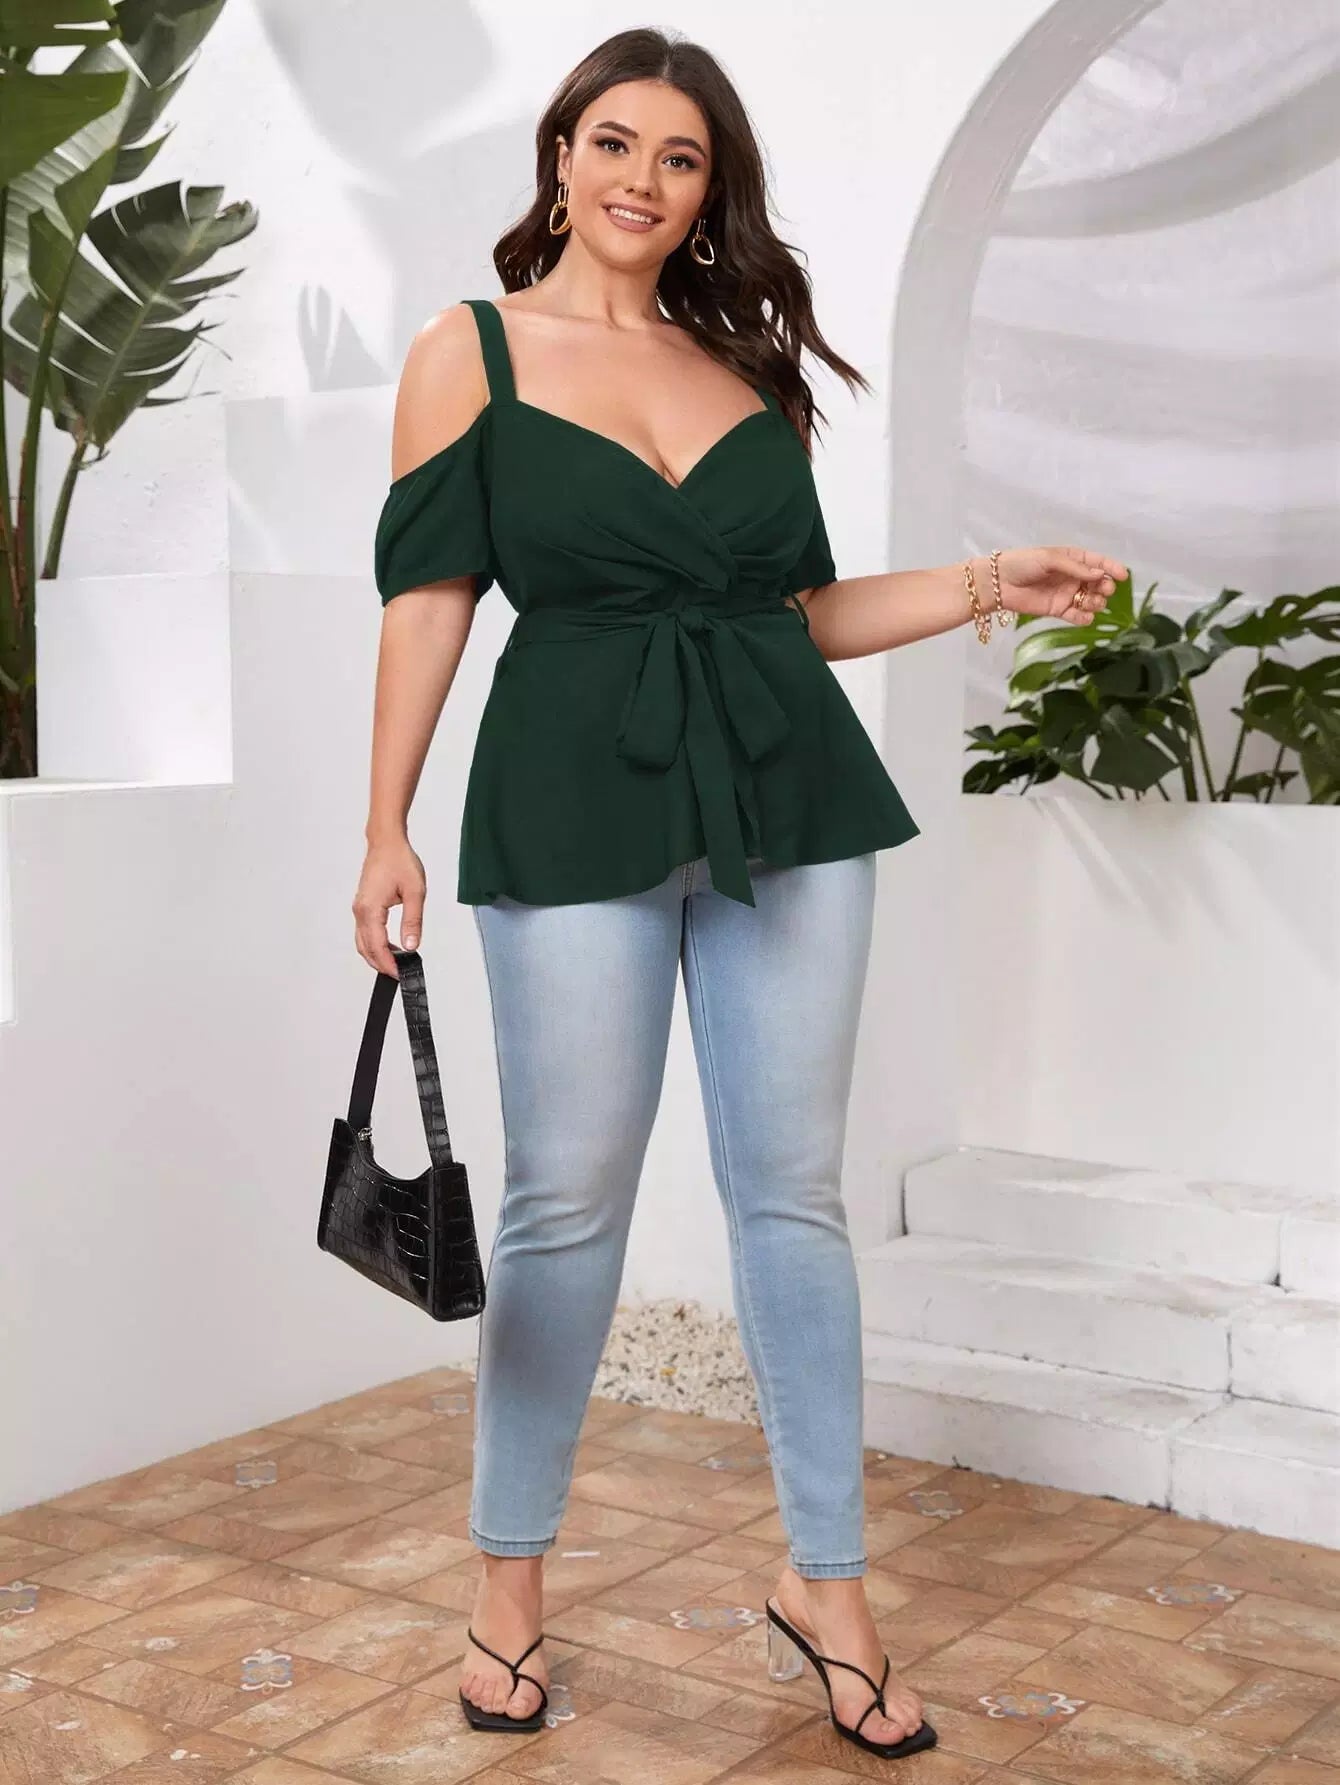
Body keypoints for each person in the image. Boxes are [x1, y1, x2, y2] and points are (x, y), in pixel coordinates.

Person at [353, 26, 1125, 1767]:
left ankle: (827, 1585)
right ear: (561, 157)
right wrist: (383, 822)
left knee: (793, 1195)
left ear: (712, 191)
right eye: (614, 142)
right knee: (566, 1201)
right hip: (570, 794)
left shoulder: (747, 369)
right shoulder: (469, 352)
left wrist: (989, 578)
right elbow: (430, 598)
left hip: (791, 794)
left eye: (681, 156)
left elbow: (800, 618)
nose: (643, 178)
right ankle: (507, 1579)